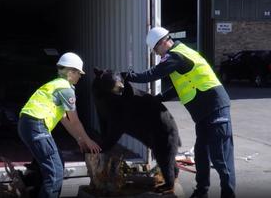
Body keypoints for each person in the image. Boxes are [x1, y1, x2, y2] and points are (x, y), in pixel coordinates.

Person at [122, 27, 235, 198]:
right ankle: (201, 193)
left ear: (162, 43)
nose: (158, 54)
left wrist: (128, 76)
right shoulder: (179, 55)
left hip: (215, 108)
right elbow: (178, 86)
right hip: (204, 114)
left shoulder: (176, 55)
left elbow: (152, 74)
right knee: (201, 155)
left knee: (221, 160)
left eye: (156, 50)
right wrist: (158, 98)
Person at [17, 52, 101, 198]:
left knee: (55, 165)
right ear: (71, 72)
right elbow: (74, 121)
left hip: (27, 125)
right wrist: (88, 140)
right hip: (37, 126)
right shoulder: (66, 89)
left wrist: (79, 139)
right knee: (55, 173)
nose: (80, 76)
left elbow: (64, 119)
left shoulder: (54, 85)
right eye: (78, 73)